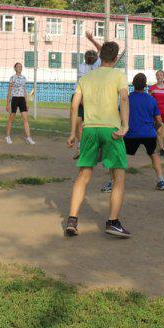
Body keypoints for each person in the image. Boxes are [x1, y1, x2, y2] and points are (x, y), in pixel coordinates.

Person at [64, 41, 131, 238]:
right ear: (116, 58)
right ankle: (113, 222)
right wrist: (125, 126)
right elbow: (125, 99)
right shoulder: (119, 75)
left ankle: (72, 220)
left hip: (90, 129)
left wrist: (71, 133)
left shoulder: (86, 77)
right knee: (118, 177)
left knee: (83, 175)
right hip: (111, 130)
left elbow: (74, 105)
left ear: (100, 56)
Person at [102, 73, 164, 193]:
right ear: (146, 85)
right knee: (153, 154)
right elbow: (159, 121)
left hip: (131, 134)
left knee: (116, 154)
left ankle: (112, 182)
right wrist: (154, 128)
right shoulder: (151, 100)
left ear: (132, 84)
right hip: (149, 134)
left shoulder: (127, 99)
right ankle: (161, 180)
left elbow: (119, 117)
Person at [70, 31, 105, 159]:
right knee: (78, 122)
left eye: (93, 57)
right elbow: (80, 91)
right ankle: (80, 148)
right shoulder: (82, 67)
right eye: (89, 57)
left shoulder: (96, 64)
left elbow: (101, 49)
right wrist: (85, 104)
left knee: (95, 125)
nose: (91, 58)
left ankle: (99, 148)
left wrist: (91, 39)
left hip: (93, 98)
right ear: (86, 59)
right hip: (80, 96)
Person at [5, 62, 35, 145]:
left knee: (25, 119)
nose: (20, 68)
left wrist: (27, 102)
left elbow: (24, 91)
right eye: (18, 66)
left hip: (22, 99)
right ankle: (7, 136)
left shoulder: (24, 78)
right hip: (14, 98)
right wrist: (7, 104)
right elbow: (9, 91)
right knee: (11, 118)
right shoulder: (12, 78)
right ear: (15, 68)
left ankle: (28, 138)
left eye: (21, 66)